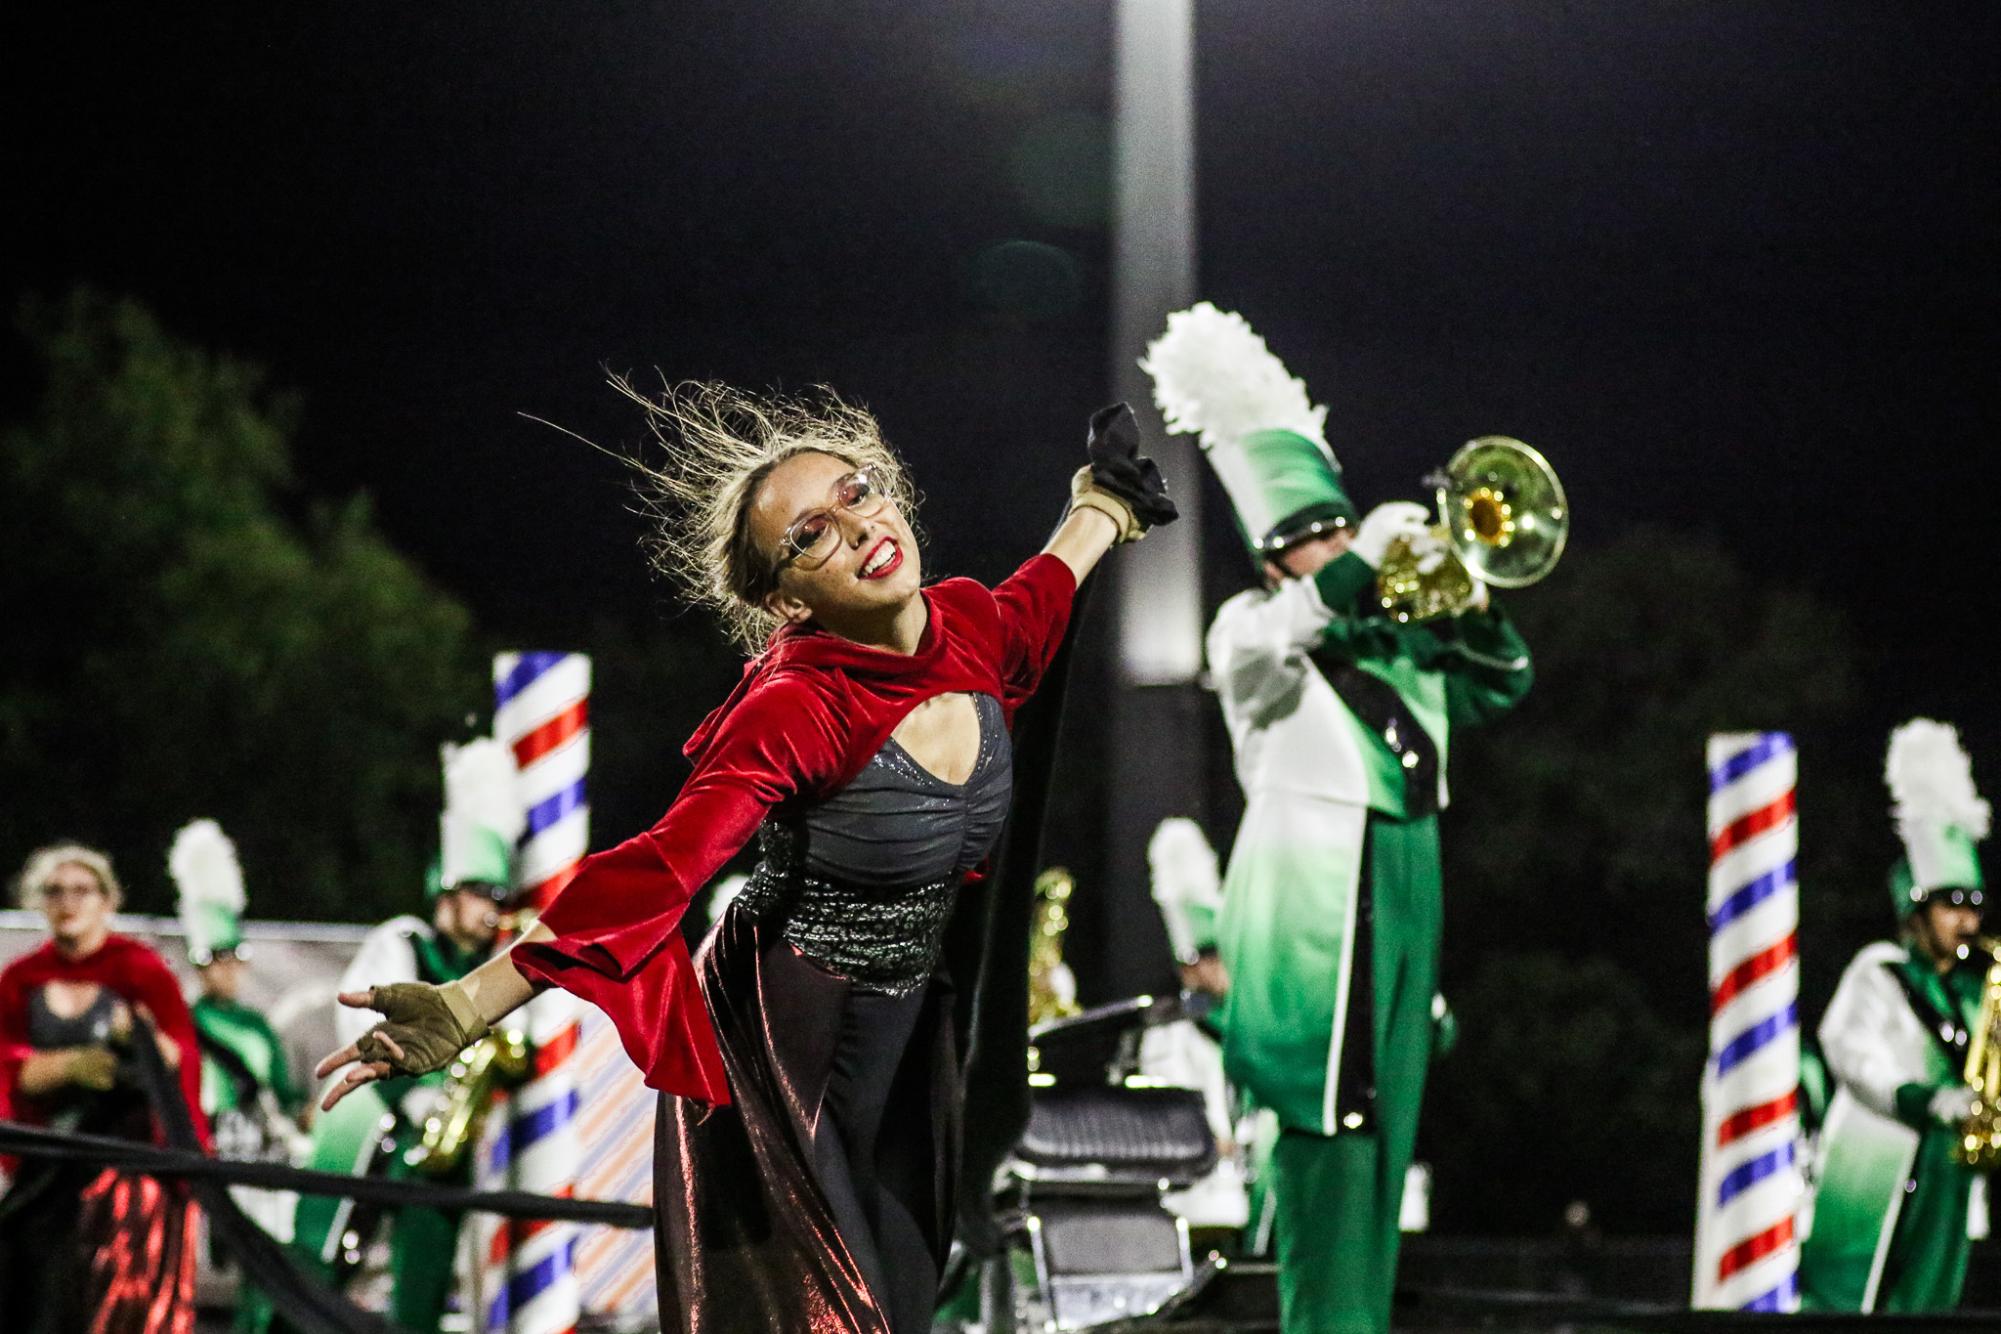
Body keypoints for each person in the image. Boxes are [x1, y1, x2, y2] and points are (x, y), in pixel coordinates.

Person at [315, 383, 1174, 1333]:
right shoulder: (797, 707)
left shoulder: (968, 624)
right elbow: (659, 870)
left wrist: (1103, 499)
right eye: (808, 535)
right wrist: (467, 1004)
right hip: (779, 1047)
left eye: (856, 493)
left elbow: (1045, 589)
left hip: (906, 1035)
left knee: (905, 1302)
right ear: (782, 598)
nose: (856, 527)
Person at [1144, 303, 1532, 1333]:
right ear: (1276, 561)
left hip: (1407, 870)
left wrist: (1468, 589)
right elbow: (1300, 626)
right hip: (1317, 879)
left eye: (1340, 528)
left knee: (1387, 1135)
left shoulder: (1402, 639)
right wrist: (1381, 551)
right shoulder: (1250, 629)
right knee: (1327, 1130)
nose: (1339, 547)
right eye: (1314, 539)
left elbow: (1506, 678)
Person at [270, 737, 521, 1334]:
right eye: (478, 892)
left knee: (423, 1289)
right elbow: (363, 1019)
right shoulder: (405, 941)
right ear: (446, 891)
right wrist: (419, 1091)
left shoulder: (505, 966)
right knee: (316, 1258)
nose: (490, 906)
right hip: (371, 1118)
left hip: (442, 1146)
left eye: (498, 894)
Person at [1800, 718, 1992, 1313]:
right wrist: (1925, 1099)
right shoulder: (1879, 971)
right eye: (1951, 904)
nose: (1966, 921)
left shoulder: (1972, 992)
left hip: (1951, 1177)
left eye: (1975, 904)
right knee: (1859, 1305)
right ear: (1917, 907)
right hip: (1879, 1168)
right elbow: (1849, 1051)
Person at [0, 842, 210, 1333]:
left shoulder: (141, 971)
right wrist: (69, 1065)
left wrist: (135, 1038)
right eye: (55, 892)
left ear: (107, 901)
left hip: (130, 1162)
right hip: (49, 1164)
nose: (68, 902)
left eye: (81, 890)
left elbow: (180, 1057)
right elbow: (9, 1069)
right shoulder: (21, 979)